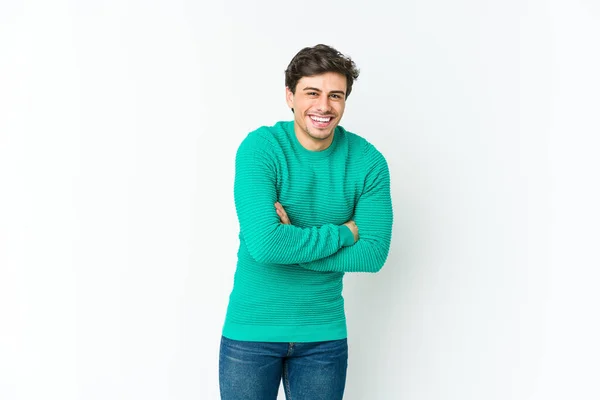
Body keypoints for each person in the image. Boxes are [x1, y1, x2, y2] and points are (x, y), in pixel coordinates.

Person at [219, 44, 393, 400]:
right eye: (312, 93)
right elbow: (266, 245)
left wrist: (289, 241)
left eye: (335, 95)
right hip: (251, 331)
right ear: (290, 96)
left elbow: (373, 254)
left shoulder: (367, 161)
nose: (324, 106)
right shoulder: (261, 149)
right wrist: (345, 233)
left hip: (323, 335)